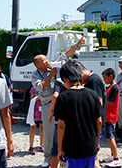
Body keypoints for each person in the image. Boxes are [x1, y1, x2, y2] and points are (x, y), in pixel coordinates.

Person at [32, 36, 85, 168]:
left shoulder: (52, 66)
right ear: (37, 64)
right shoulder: (35, 75)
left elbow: (66, 55)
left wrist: (77, 44)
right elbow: (40, 87)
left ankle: (62, 155)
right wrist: (51, 75)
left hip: (60, 102)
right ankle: (48, 157)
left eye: (46, 59)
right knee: (49, 132)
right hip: (47, 104)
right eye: (43, 61)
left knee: (63, 129)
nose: (47, 62)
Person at [54, 60, 103, 168]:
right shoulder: (93, 95)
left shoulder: (63, 97)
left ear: (65, 79)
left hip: (72, 148)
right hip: (91, 145)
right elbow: (99, 121)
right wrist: (97, 142)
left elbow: (61, 125)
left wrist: (60, 148)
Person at [78, 61, 106, 168]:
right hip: (93, 123)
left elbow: (99, 103)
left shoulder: (93, 81)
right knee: (94, 157)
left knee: (93, 158)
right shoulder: (92, 79)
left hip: (93, 124)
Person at [101, 68, 121, 168]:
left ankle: (116, 159)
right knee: (109, 136)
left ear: (111, 77)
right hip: (109, 115)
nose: (104, 80)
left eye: (105, 78)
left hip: (111, 115)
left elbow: (111, 101)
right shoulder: (110, 87)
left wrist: (103, 98)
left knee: (110, 137)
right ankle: (112, 155)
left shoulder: (114, 88)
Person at [26, 86, 44, 155]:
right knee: (33, 127)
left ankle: (42, 144)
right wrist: (37, 98)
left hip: (42, 110)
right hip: (35, 111)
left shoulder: (45, 88)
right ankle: (31, 146)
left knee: (42, 128)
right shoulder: (33, 89)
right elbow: (31, 99)